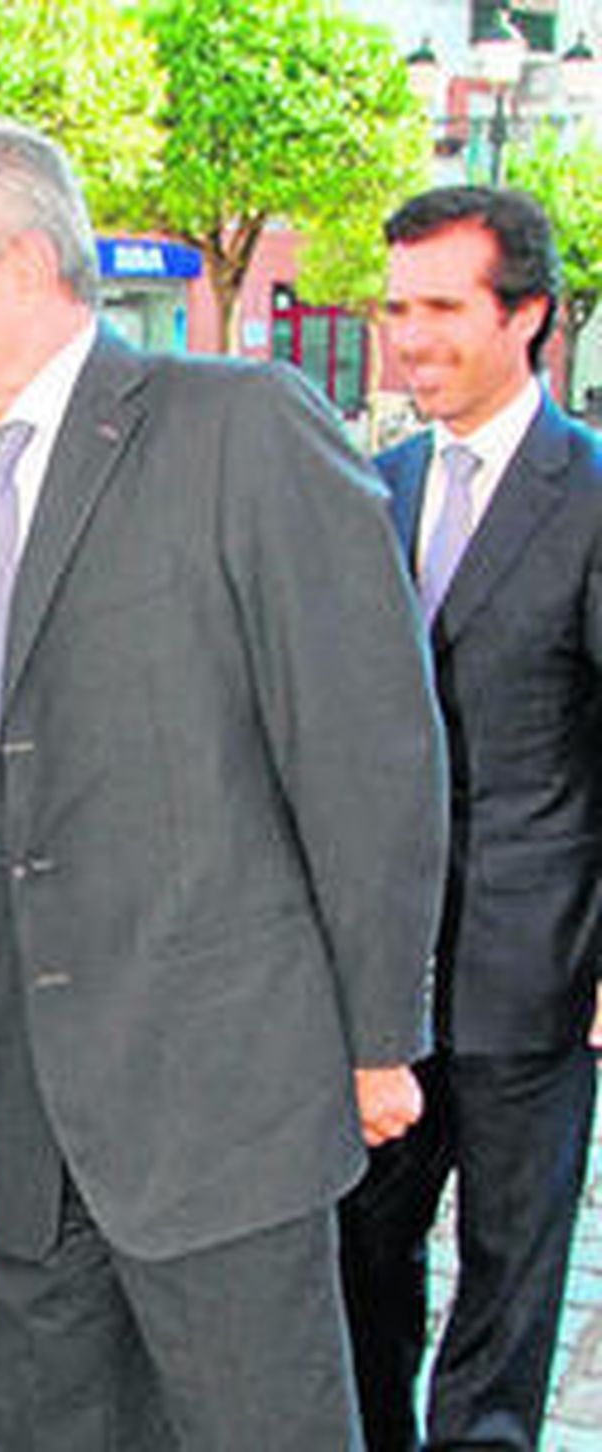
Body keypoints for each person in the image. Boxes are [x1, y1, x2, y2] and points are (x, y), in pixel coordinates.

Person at [0, 116, 449, 1449]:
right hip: (26, 1140)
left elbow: (370, 745)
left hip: (225, 1122)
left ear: (20, 269)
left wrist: (380, 1036)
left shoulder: (237, 431)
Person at [339, 185, 602, 1452]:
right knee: (356, 1270)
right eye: (395, 308)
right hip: (371, 991)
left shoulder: (592, 492)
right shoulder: (361, 488)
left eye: (442, 307)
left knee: (506, 1298)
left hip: (531, 978)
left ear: (528, 315)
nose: (410, 337)